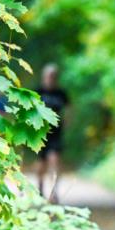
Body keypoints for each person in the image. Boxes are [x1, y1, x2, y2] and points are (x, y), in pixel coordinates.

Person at [34, 63, 70, 203]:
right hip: (40, 133)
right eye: (49, 76)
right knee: (41, 163)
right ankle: (40, 188)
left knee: (54, 160)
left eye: (54, 76)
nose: (51, 79)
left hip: (56, 132)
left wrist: (66, 123)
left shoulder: (61, 93)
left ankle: (54, 192)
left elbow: (69, 108)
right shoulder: (37, 92)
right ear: (44, 77)